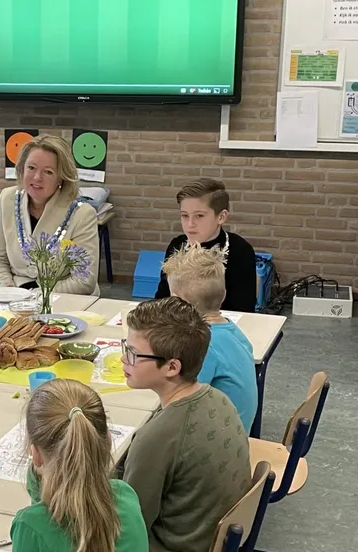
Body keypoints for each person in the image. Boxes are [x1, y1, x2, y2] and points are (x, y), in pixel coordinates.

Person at [120, 297, 251, 552]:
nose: (123, 358)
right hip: (209, 534)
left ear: (171, 367)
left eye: (133, 353)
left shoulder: (156, 439)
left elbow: (129, 526)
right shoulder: (218, 397)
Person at [11, 378, 148, 552]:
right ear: (107, 442)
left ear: (36, 456)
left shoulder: (31, 526)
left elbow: (47, 519)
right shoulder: (126, 498)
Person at [0, 134, 100, 295]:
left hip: (64, 298)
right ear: (21, 169)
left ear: (61, 178)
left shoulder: (82, 213)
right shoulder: (7, 198)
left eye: (48, 172)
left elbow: (84, 280)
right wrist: (8, 290)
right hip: (16, 295)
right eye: (31, 168)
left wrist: (37, 297)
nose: (37, 178)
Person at [162, 245, 257, 432]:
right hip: (236, 433)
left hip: (219, 445)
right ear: (223, 295)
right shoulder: (230, 329)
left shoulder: (203, 345)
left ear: (176, 302)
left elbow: (179, 400)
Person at [155, 178, 256, 312]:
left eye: (199, 216)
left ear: (221, 217)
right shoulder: (177, 245)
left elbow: (243, 308)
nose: (190, 224)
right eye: (185, 216)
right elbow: (162, 298)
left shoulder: (240, 250)